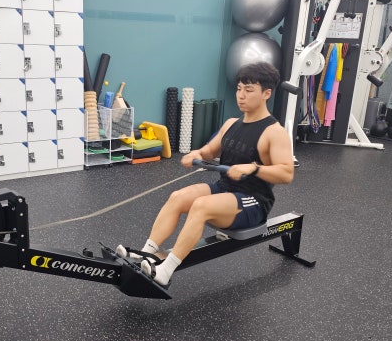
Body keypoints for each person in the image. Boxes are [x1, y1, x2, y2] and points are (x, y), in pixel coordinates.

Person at [117, 62, 294, 287]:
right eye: (239, 89)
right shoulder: (231, 123)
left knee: (201, 206)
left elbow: (287, 173)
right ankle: (146, 253)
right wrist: (197, 153)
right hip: (225, 189)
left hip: (253, 201)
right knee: (178, 197)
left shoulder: (274, 132)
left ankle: (165, 271)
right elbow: (211, 150)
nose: (241, 95)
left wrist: (254, 168)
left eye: (249, 90)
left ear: (266, 93)